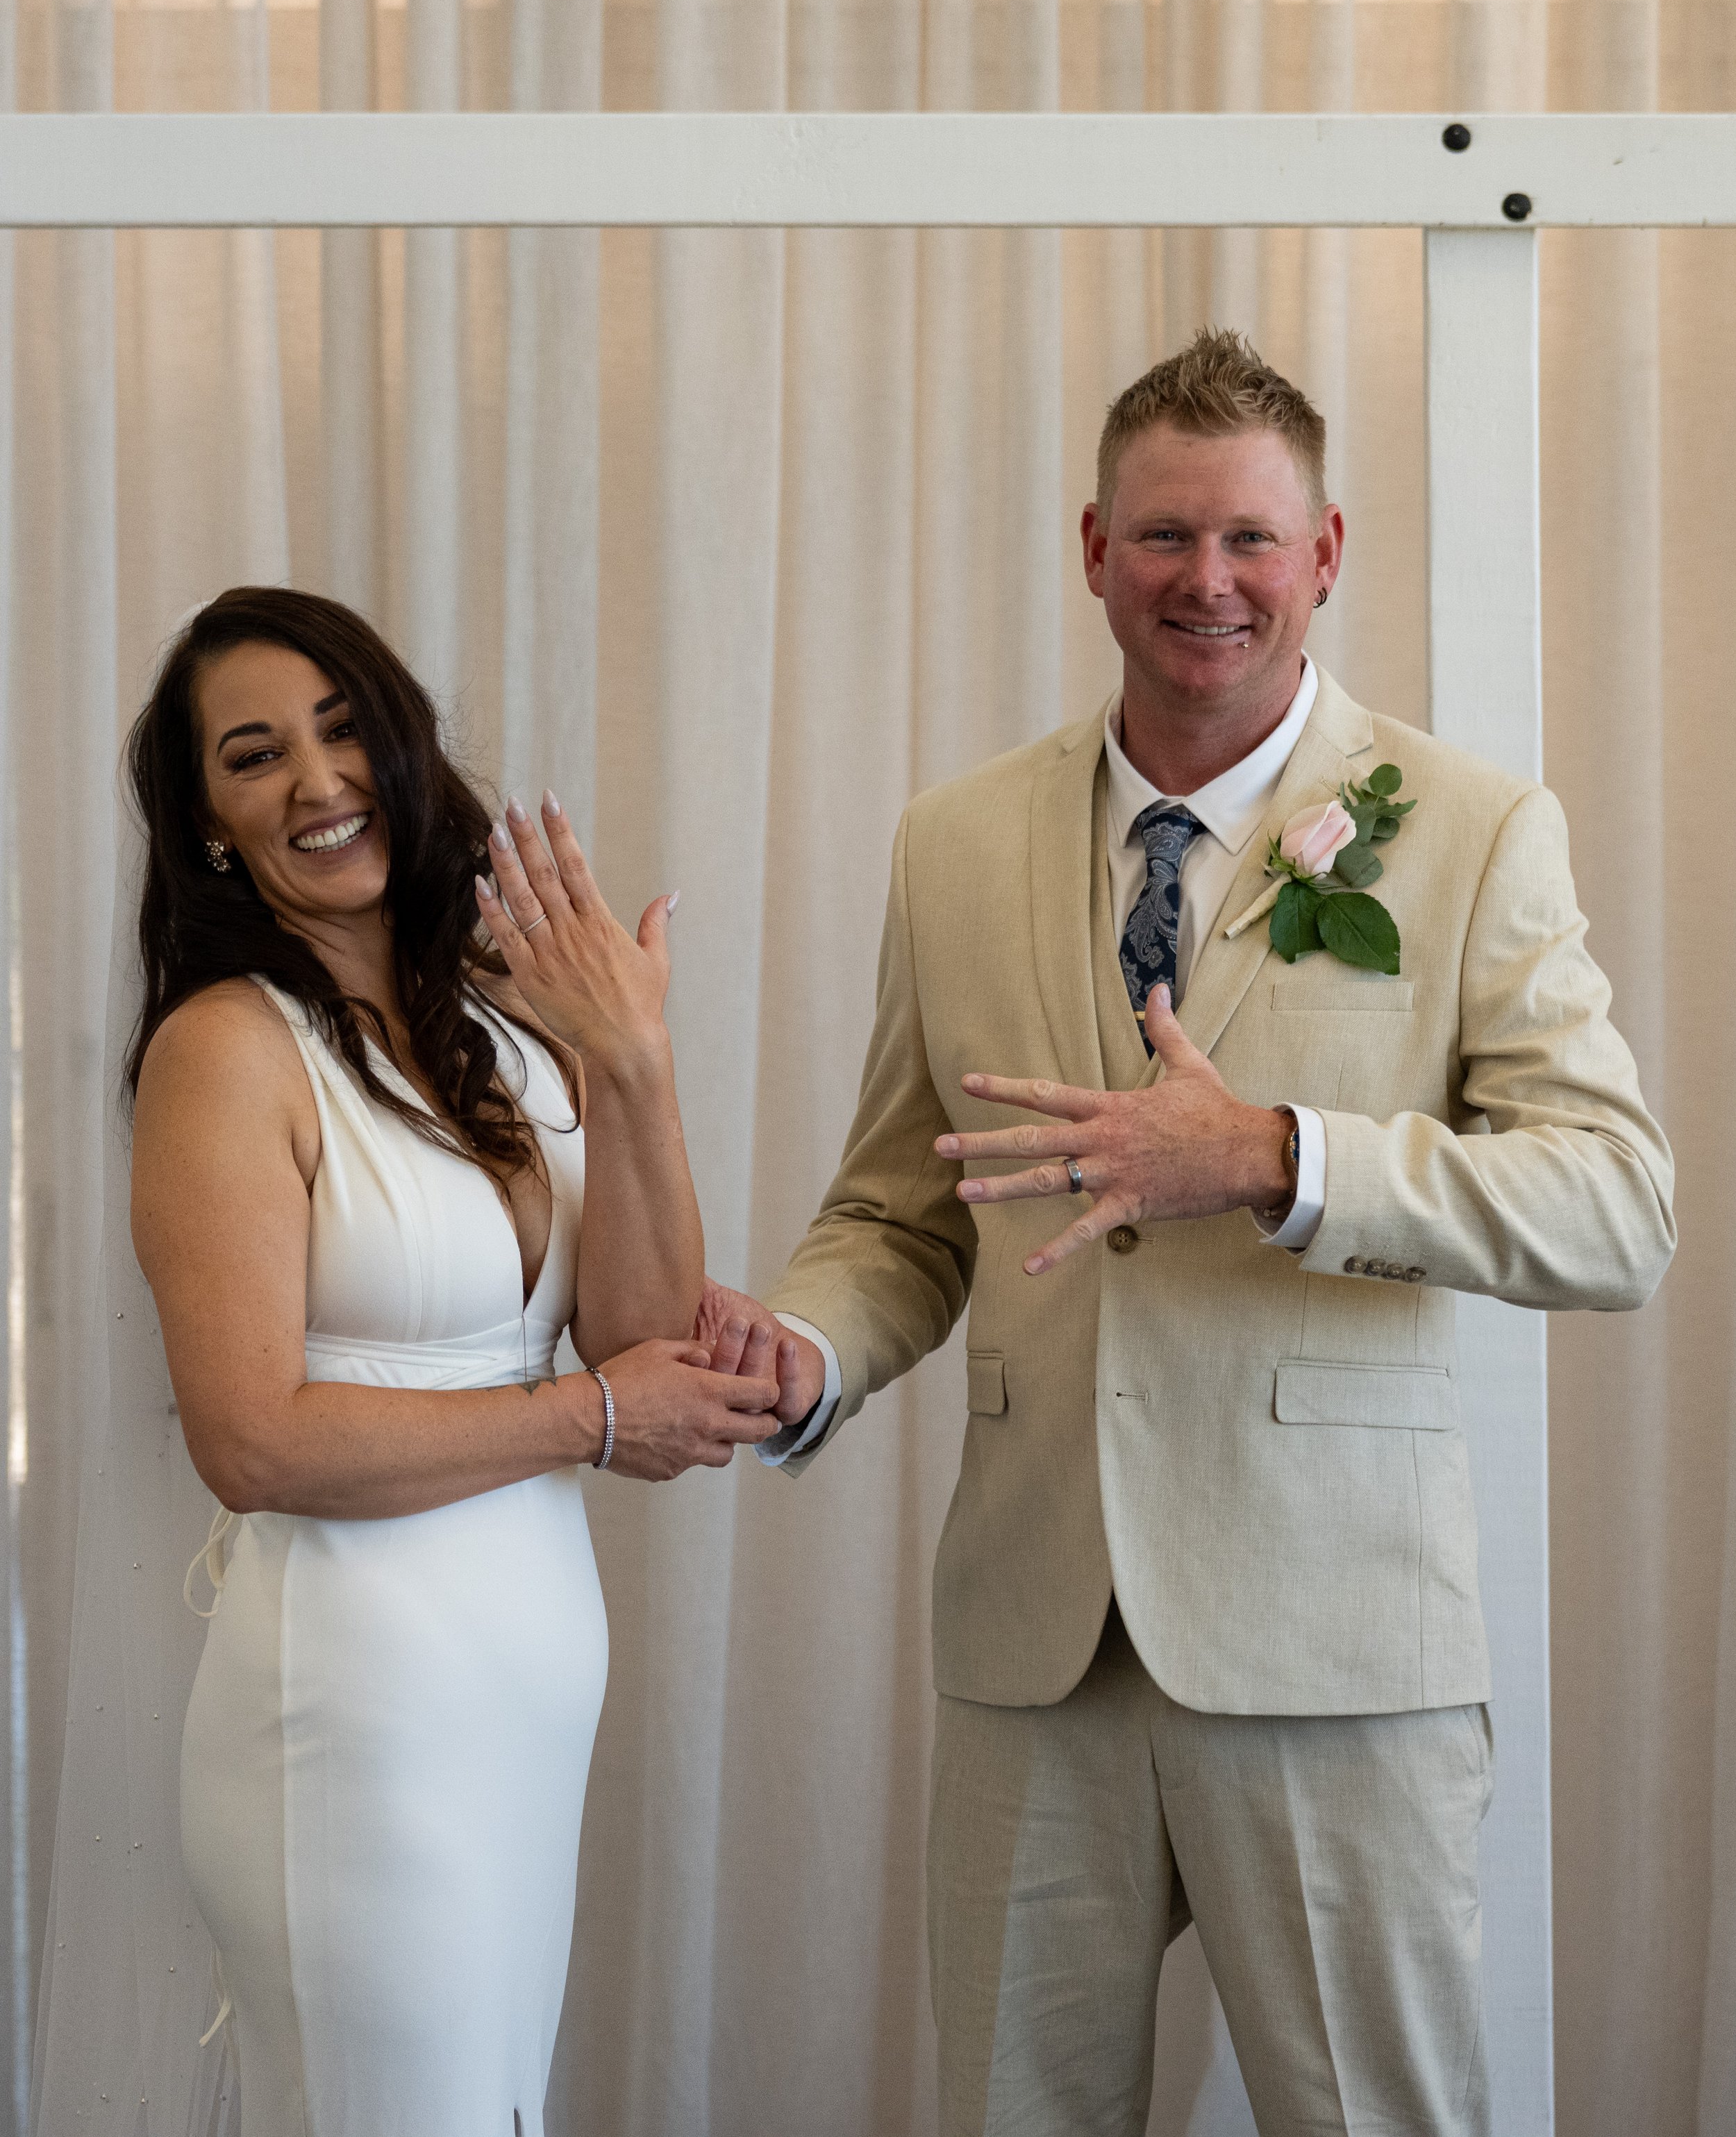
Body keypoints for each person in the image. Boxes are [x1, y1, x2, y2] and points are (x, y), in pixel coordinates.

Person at [710, 329, 1676, 2136]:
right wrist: (810, 1342)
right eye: (1163, 536)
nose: (1205, 581)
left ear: (1323, 556)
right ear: (1090, 548)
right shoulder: (952, 839)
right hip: (1031, 1643)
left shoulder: (1467, 831)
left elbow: (1615, 1206)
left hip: (1332, 1647)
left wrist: (1276, 1153)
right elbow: (903, 1205)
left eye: (1248, 539)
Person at [111, 587, 778, 2135]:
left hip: (519, 1692)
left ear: (402, 744)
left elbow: (637, 1329)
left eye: (342, 727)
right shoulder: (224, 1047)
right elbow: (251, 1438)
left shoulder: (492, 1015)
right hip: (356, 1713)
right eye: (256, 756)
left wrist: (631, 1061)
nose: (318, 781)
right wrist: (592, 1416)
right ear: (210, 825)